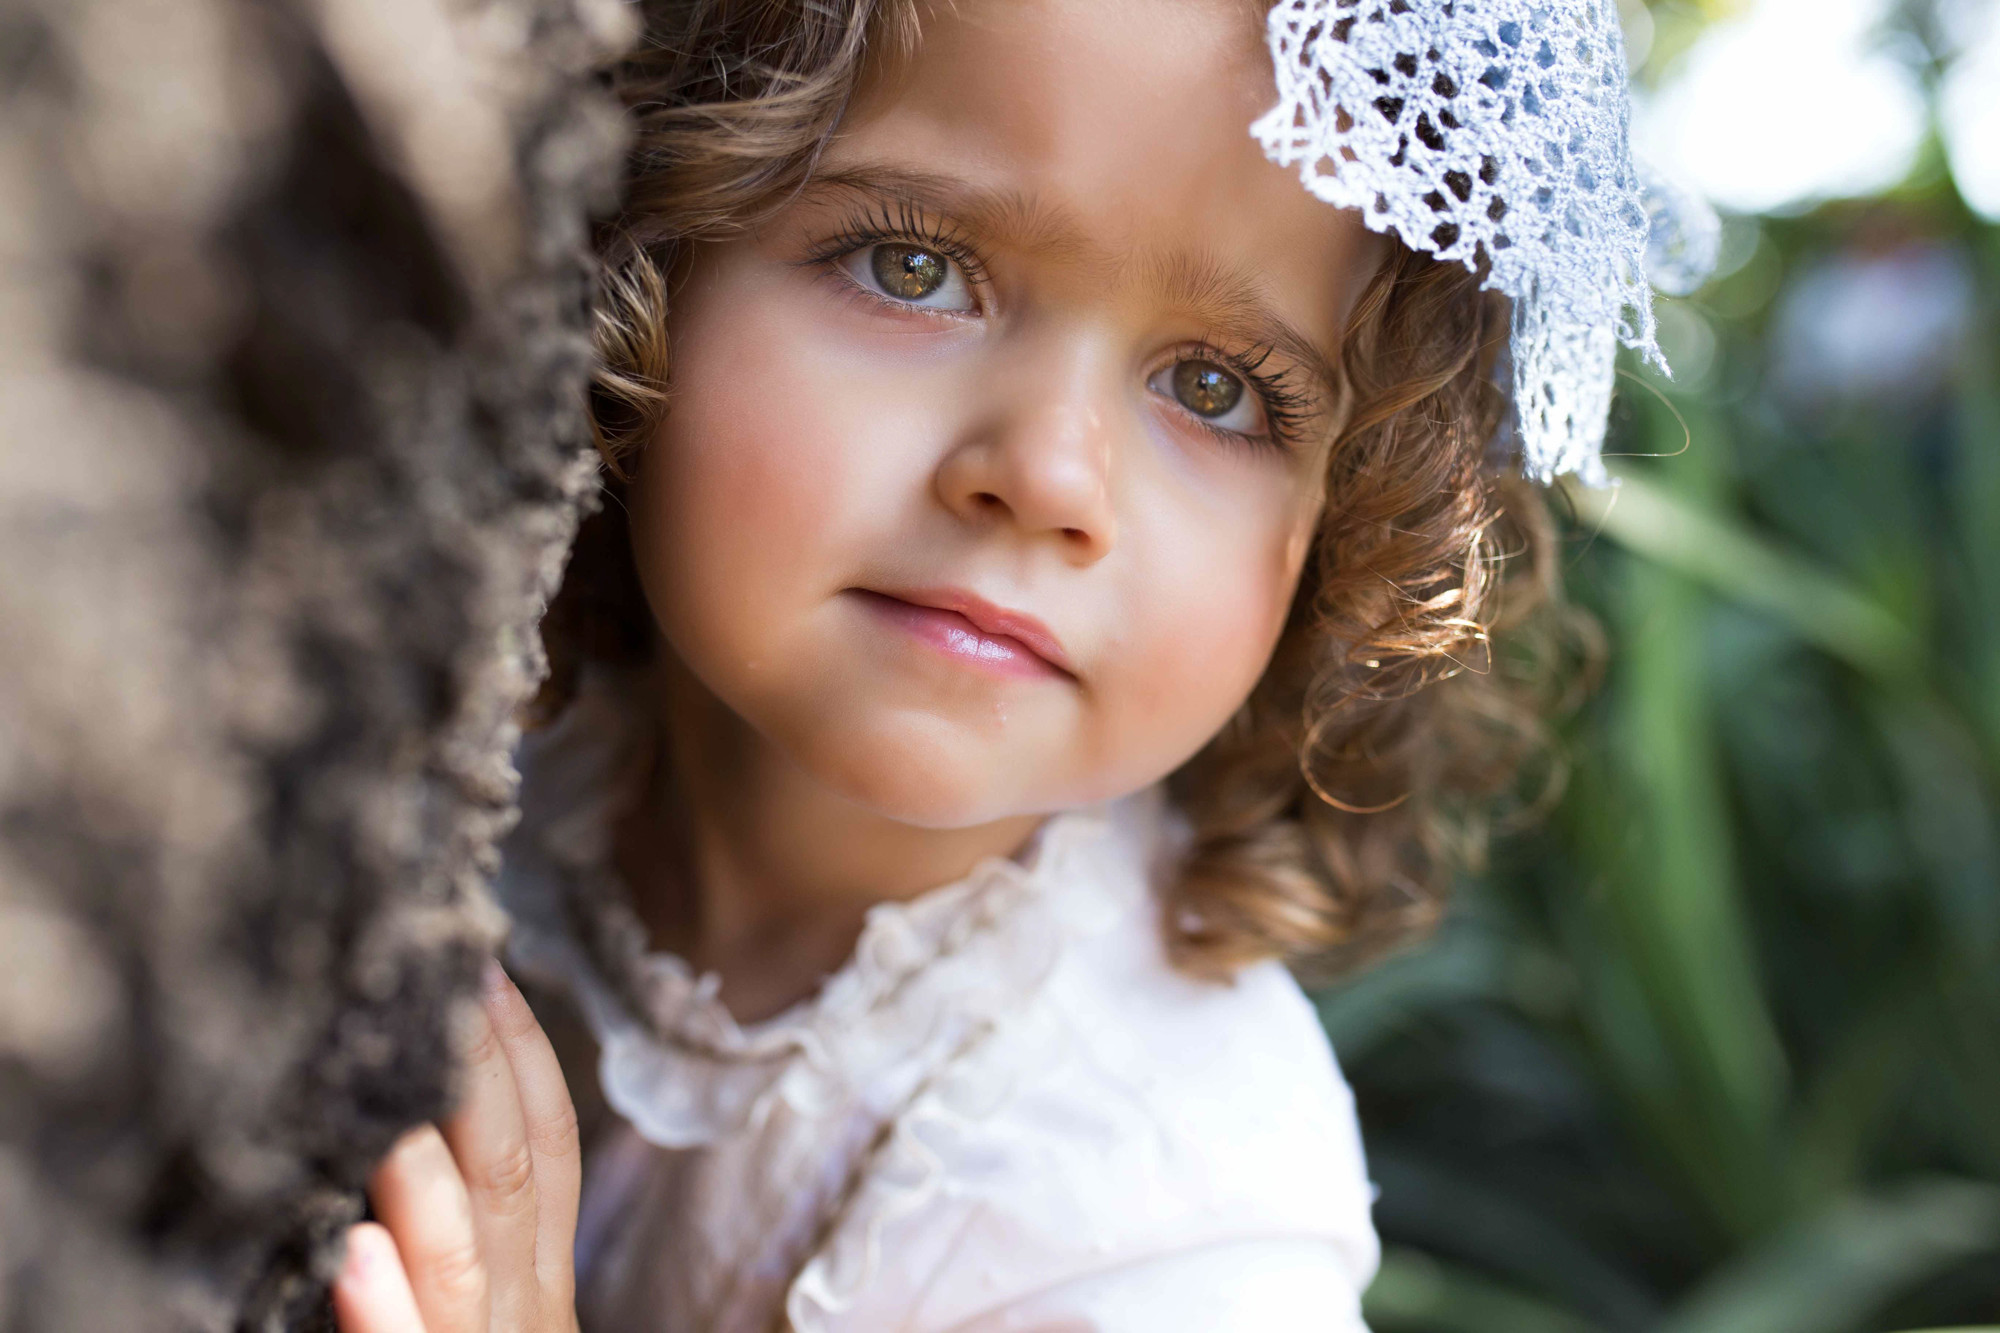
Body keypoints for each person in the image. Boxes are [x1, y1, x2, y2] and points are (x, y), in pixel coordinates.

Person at [329, 0, 1706, 1329]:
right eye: (914, 266)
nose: (1049, 475)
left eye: (1216, 389)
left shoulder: (1162, 1217)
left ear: (1342, 529)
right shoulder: (445, 696)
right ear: (660, 233)